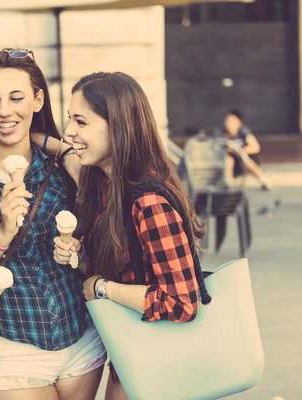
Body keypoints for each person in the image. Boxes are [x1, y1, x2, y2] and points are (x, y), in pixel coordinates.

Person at [51, 72, 211, 400]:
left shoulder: (148, 200)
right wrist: (79, 258)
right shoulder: (107, 188)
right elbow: (127, 266)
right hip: (132, 356)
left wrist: (101, 288)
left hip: (158, 363)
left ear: (118, 127)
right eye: (70, 120)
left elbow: (182, 302)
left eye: (81, 122)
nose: (70, 131)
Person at [0, 48, 106, 400]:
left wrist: (77, 251)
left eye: (17, 97)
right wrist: (2, 233)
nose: (4, 111)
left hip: (80, 338)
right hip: (9, 343)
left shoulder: (66, 166)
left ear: (38, 100)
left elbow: (103, 246)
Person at [222, 109, 272, 190]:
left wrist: (239, 151)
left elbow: (255, 147)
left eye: (232, 121)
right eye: (228, 121)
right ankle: (229, 183)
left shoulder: (244, 132)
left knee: (245, 159)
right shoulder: (223, 133)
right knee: (228, 159)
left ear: (239, 122)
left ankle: (263, 180)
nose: (230, 124)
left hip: (246, 161)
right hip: (232, 164)